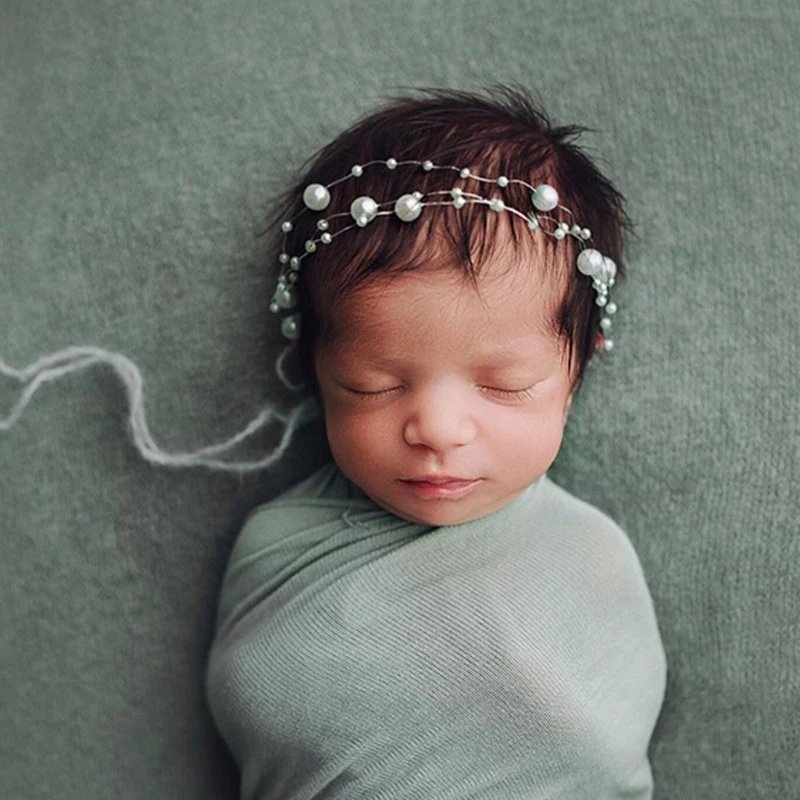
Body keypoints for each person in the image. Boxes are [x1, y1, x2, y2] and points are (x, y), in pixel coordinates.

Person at [203, 85, 668, 798]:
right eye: (372, 384)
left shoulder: (590, 560)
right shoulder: (281, 546)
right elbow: (264, 703)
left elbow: (600, 752)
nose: (438, 431)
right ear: (315, 372)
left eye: (507, 384)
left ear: (575, 374)